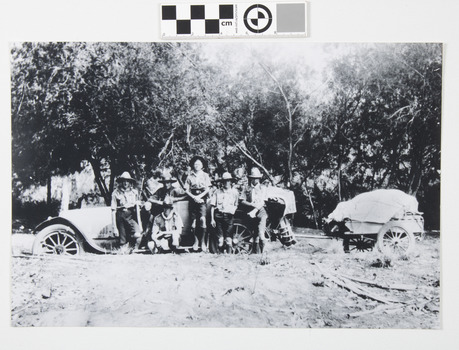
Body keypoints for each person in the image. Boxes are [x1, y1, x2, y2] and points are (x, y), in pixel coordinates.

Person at [184, 156, 211, 252]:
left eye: (199, 164)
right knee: (194, 223)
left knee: (202, 219)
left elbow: (208, 188)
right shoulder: (189, 176)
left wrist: (200, 197)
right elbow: (186, 190)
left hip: (202, 199)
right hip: (192, 200)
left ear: (202, 165)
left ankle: (203, 242)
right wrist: (194, 197)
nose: (197, 166)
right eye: (195, 164)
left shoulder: (205, 175)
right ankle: (195, 242)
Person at [111, 172, 142, 253]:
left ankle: (133, 247)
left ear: (130, 182)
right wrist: (114, 228)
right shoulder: (115, 193)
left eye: (127, 181)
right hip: (120, 216)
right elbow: (113, 210)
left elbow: (137, 207)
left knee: (137, 233)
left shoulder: (134, 192)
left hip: (130, 215)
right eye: (123, 181)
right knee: (122, 239)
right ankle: (124, 249)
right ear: (121, 182)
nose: (125, 183)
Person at [240, 167, 268, 254]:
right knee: (252, 233)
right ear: (250, 178)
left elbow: (263, 201)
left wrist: (255, 209)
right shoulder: (246, 188)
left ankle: (263, 254)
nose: (255, 180)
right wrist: (251, 204)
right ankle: (253, 251)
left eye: (257, 178)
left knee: (261, 233)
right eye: (253, 178)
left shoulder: (263, 188)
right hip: (249, 212)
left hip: (261, 212)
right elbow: (242, 200)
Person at [210, 172, 239, 254]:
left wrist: (233, 210)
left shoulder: (235, 192)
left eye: (228, 181)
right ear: (222, 182)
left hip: (229, 217)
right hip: (219, 216)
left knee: (228, 239)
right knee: (220, 240)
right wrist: (212, 219)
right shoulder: (217, 192)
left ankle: (229, 255)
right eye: (224, 181)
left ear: (231, 182)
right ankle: (220, 254)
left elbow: (236, 205)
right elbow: (212, 206)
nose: (226, 183)